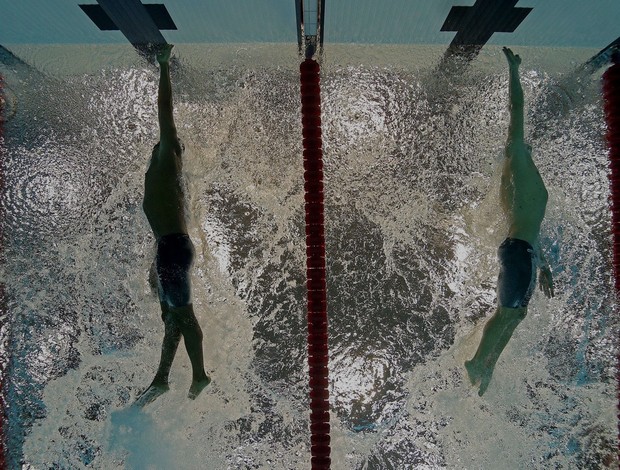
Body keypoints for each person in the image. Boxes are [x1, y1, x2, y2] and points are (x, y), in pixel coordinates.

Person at [465, 48, 554, 396]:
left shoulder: (521, 180)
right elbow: (516, 110)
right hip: (519, 251)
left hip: (521, 251)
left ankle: (485, 366)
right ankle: (480, 363)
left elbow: (528, 227)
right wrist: (514, 70)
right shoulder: (516, 154)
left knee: (512, 314)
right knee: (510, 315)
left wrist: (542, 263)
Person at [135, 44, 210, 407]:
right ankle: (162, 378)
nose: (159, 143)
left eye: (165, 142)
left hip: (173, 248)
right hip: (169, 250)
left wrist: (164, 67)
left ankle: (198, 374)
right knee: (171, 314)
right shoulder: (164, 174)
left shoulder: (168, 161)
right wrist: (154, 270)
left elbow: (165, 113)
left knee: (182, 314)